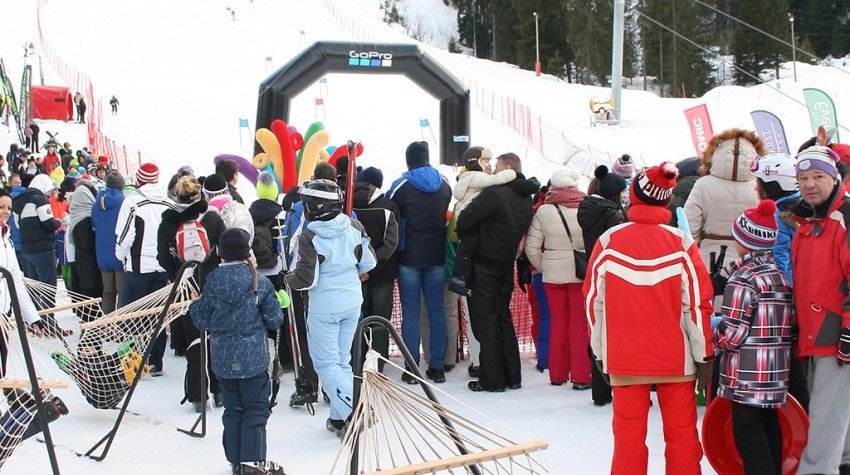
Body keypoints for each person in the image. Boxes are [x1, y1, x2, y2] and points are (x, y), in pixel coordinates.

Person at [584, 162, 714, 474]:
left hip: (625, 354)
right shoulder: (681, 244)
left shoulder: (609, 242)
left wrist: (601, 352)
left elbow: (592, 304)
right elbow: (696, 306)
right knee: (682, 434)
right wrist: (704, 354)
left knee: (628, 436)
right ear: (667, 201)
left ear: (634, 196)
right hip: (675, 355)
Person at [284, 179, 376, 437]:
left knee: (326, 365)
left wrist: (287, 279)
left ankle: (357, 411)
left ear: (314, 207)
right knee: (341, 361)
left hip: (324, 307)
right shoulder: (354, 226)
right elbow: (368, 262)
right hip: (351, 303)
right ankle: (339, 417)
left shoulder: (310, 236)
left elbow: (305, 279)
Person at [190, 228, 286, 475]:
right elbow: (274, 319)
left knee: (233, 408)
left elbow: (201, 320)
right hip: (253, 358)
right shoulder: (260, 283)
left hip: (222, 359)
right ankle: (252, 463)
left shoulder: (212, 282)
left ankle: (236, 460)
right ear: (247, 253)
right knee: (256, 408)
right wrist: (279, 302)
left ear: (221, 255)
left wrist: (194, 303)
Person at [714, 199, 793, 475]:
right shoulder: (779, 275)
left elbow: (732, 335)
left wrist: (715, 332)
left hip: (747, 377)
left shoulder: (742, 279)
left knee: (748, 439)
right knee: (770, 432)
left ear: (741, 240)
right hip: (776, 373)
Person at [789, 146, 850, 474]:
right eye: (803, 178)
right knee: (836, 416)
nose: (810, 184)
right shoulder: (808, 225)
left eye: (818, 176)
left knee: (825, 421)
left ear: (835, 178)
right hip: (818, 334)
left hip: (836, 335)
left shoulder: (844, 220)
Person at [456, 152, 538, 392]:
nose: (493, 172)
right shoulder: (525, 196)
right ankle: (512, 375)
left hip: (484, 264)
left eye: (497, 168)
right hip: (505, 264)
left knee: (485, 321)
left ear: (508, 169)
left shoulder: (494, 194)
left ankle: (492, 379)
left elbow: (464, 221)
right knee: (503, 317)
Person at [386, 141, 452, 384]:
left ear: (408, 160)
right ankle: (437, 367)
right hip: (436, 256)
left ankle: (412, 368)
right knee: (437, 311)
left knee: (411, 313)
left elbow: (387, 206)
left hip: (409, 257)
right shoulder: (444, 184)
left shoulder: (401, 185)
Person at [158, 175, 225, 411]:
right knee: (215, 337)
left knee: (194, 339)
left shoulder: (168, 223)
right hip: (212, 284)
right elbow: (225, 248)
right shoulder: (212, 218)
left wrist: (177, 271)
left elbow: (163, 258)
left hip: (185, 286)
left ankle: (198, 395)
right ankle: (219, 391)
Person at [524, 169, 589, 389]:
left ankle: (557, 374)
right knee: (579, 325)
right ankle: (581, 376)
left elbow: (531, 247)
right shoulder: (586, 207)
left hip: (552, 276)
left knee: (557, 323)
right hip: (580, 273)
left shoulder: (544, 211)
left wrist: (546, 266)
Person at [577, 165, 627, 406]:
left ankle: (600, 391)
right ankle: (625, 387)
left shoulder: (587, 210)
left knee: (597, 332)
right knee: (619, 333)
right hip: (615, 277)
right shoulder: (613, 215)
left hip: (593, 274)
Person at [114, 163, 170, 376]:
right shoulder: (168, 203)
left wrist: (120, 257)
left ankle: (135, 359)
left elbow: (125, 236)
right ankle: (156, 360)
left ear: (139, 179)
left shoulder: (132, 202)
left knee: (134, 315)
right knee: (159, 315)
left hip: (138, 267)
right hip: (162, 267)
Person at [685, 128, 764, 275]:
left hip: (708, 259)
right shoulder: (759, 186)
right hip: (749, 262)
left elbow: (689, 227)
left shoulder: (703, 184)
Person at [447, 147, 514, 297]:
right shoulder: (476, 177)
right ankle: (458, 279)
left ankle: (460, 278)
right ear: (475, 162)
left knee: (467, 249)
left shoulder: (469, 176)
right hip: (468, 218)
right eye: (485, 161)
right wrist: (511, 172)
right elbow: (495, 179)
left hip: (466, 216)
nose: (489, 165)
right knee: (467, 248)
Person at [352, 166, 399, 368]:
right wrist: (372, 265)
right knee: (380, 320)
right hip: (382, 273)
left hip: (354, 273)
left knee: (355, 319)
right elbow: (391, 243)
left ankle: (357, 361)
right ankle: (378, 364)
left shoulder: (346, 204)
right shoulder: (389, 206)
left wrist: (360, 267)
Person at [11, 174, 64, 335]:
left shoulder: (19, 202)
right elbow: (47, 222)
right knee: (48, 287)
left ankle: (35, 322)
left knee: (33, 288)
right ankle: (50, 325)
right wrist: (59, 222)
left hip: (27, 250)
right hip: (42, 248)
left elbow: (19, 225)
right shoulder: (39, 200)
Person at [91, 173, 126, 315]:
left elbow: (93, 222)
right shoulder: (123, 202)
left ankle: (107, 323)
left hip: (102, 253)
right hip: (119, 252)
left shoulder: (97, 202)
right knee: (122, 292)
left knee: (108, 292)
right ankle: (123, 325)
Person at [66, 179, 102, 305]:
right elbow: (87, 242)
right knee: (92, 295)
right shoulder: (85, 219)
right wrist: (100, 234)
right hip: (90, 265)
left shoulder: (75, 217)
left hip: (81, 262)